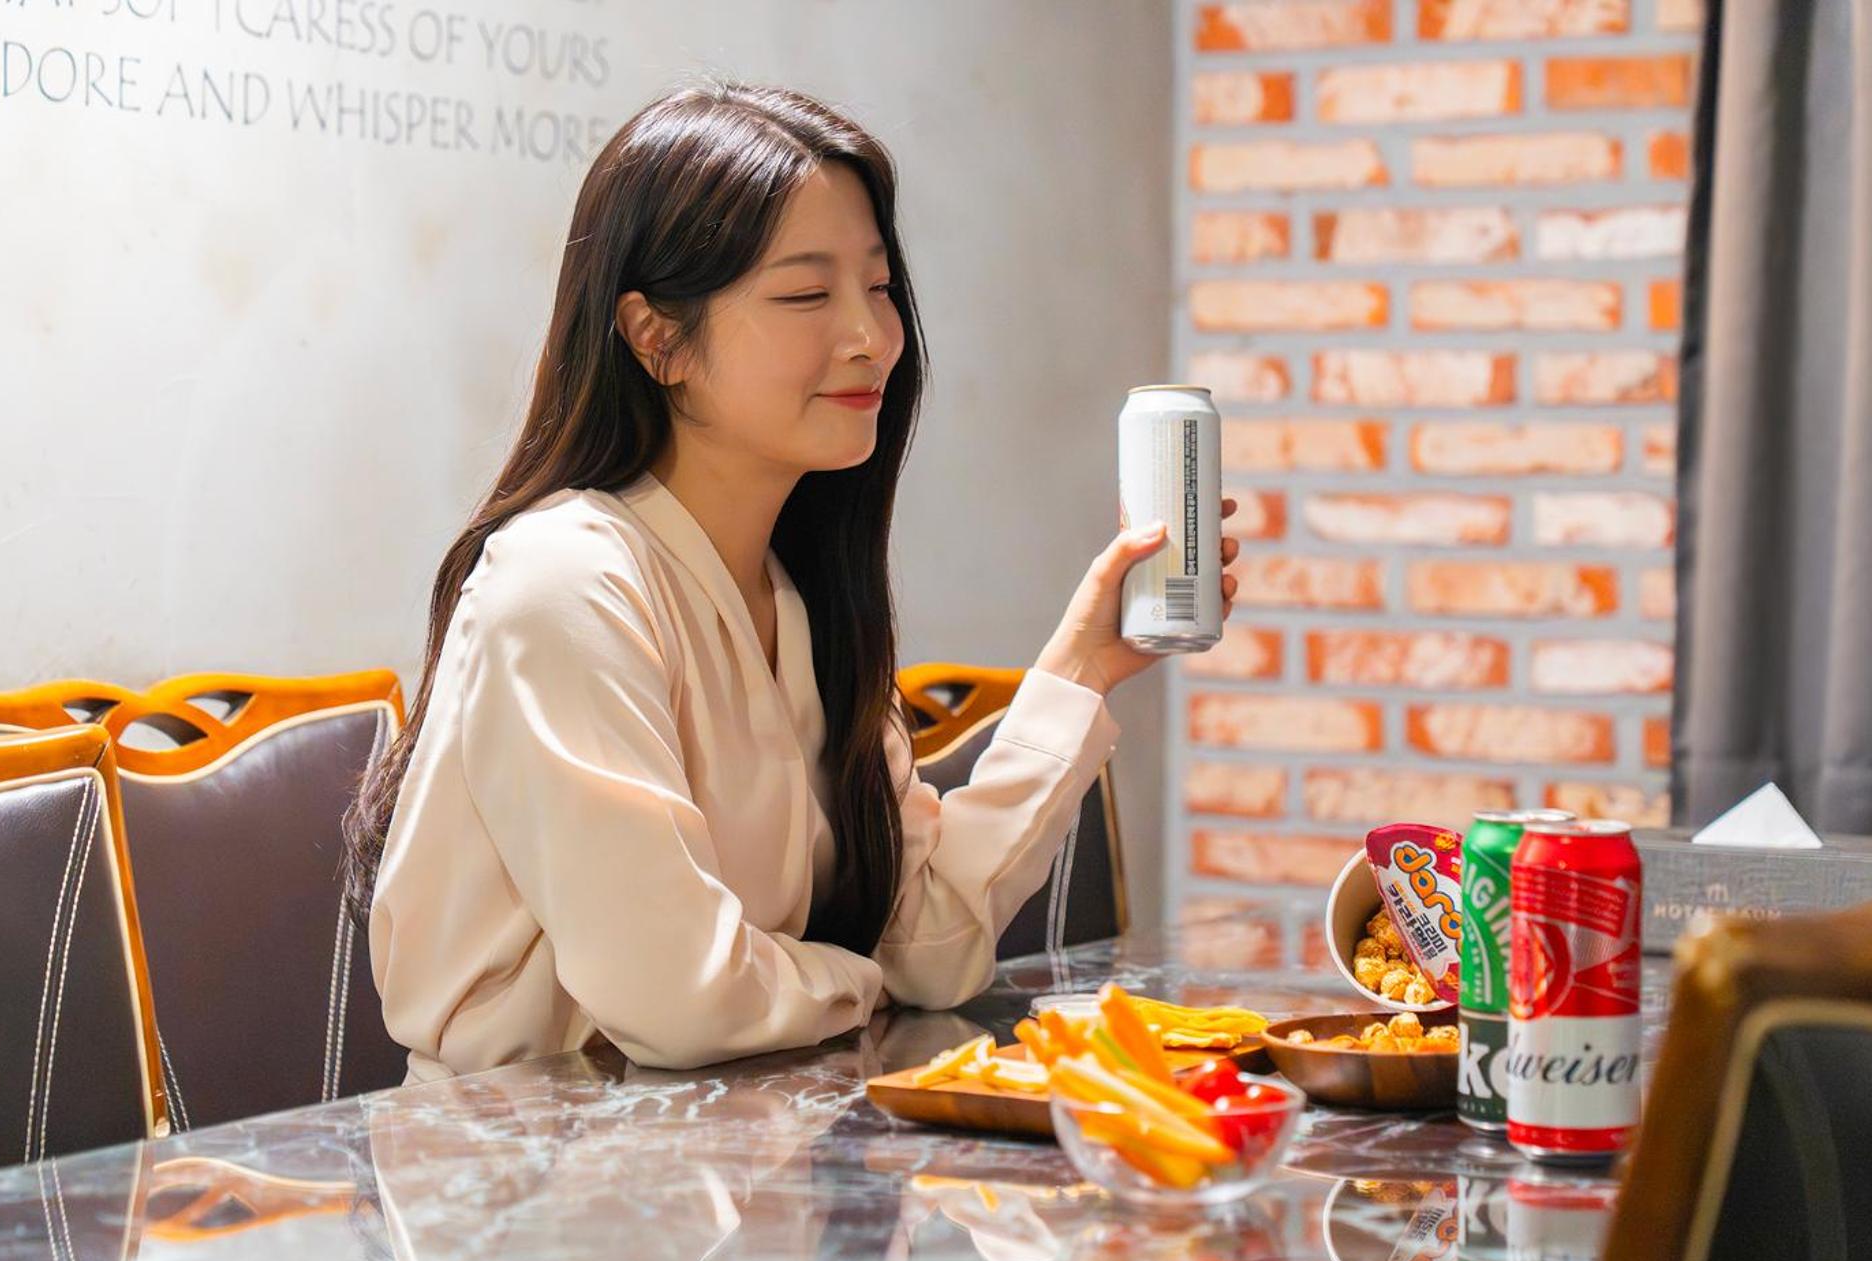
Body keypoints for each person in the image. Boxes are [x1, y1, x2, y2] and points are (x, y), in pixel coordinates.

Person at [343, 80, 1241, 1081]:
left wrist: (1080, 669)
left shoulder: (798, 598)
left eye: (879, 286)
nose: (873, 336)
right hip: (518, 1164)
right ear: (656, 337)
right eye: (807, 295)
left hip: (725, 1150)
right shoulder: (564, 583)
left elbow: (929, 945)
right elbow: (682, 997)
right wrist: (854, 980)